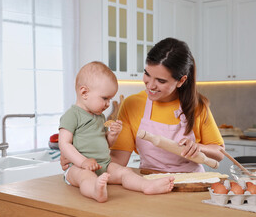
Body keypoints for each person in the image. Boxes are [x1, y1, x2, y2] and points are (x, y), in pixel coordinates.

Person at [58, 61, 175, 203]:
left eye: (110, 99)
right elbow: (64, 143)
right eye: (105, 98)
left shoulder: (99, 117)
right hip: (77, 168)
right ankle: (96, 191)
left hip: (104, 165)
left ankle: (146, 185)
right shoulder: (72, 115)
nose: (108, 103)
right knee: (86, 178)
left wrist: (111, 136)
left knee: (125, 172)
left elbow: (104, 144)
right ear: (84, 93)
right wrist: (83, 162)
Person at [109, 38, 225, 173]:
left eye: (161, 80)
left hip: (191, 184)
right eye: (147, 74)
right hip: (151, 184)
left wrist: (198, 147)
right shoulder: (132, 104)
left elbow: (220, 152)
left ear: (181, 80)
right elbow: (118, 160)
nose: (151, 85)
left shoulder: (196, 106)